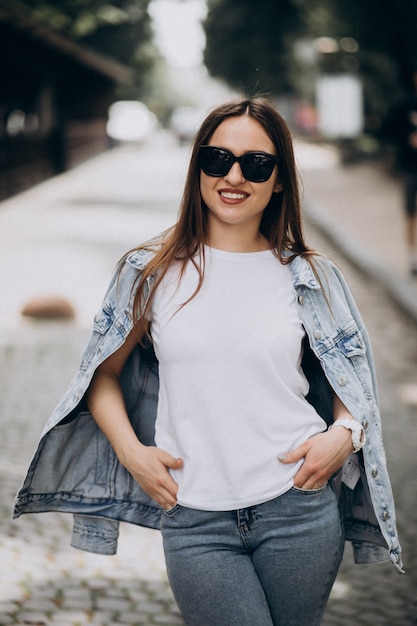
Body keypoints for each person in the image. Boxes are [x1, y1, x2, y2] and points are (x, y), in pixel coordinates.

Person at [14, 98, 403, 626]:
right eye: (217, 159)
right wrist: (133, 454)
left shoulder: (310, 277)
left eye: (257, 164)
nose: (234, 175)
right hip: (195, 519)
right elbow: (101, 375)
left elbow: (349, 382)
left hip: (298, 510)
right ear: (198, 168)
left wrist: (344, 433)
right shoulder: (149, 273)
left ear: (281, 180)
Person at [382, 71, 417, 277]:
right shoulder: (404, 106)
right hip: (409, 167)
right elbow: (387, 131)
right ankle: (412, 256)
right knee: (410, 212)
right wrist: (407, 139)